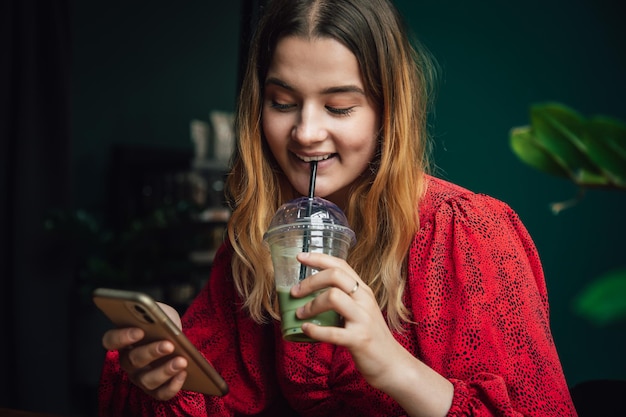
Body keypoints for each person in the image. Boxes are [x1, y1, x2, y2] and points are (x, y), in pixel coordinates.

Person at [98, 0, 578, 415]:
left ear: (388, 110)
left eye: (340, 107)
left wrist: (392, 365)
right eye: (282, 102)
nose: (305, 132)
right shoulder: (264, 234)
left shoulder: (467, 232)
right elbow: (217, 398)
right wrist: (162, 372)